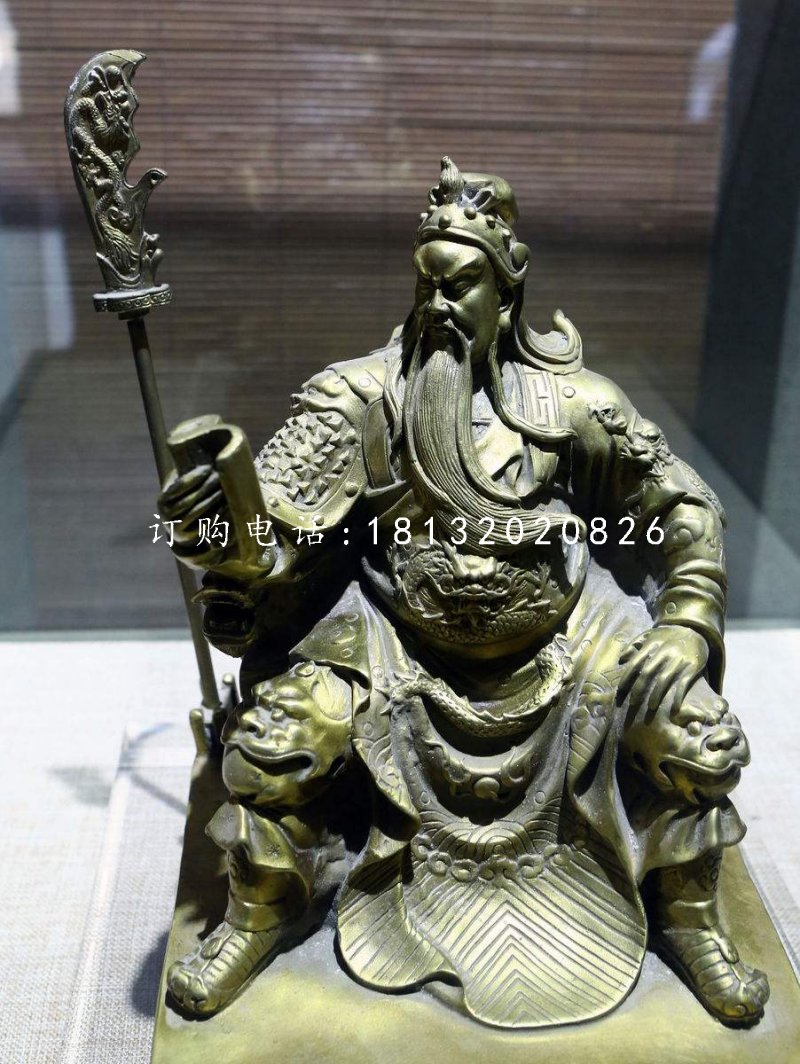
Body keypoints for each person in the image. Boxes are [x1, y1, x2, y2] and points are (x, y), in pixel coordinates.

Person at [158, 158, 768, 1028]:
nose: (439, 305)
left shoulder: (576, 403)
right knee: (268, 750)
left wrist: (688, 619)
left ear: (506, 294)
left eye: (461, 286)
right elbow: (278, 540)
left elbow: (681, 506)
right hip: (390, 640)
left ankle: (688, 915)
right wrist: (216, 529)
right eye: (427, 285)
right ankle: (259, 913)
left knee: (698, 738)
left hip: (569, 643)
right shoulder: (360, 398)